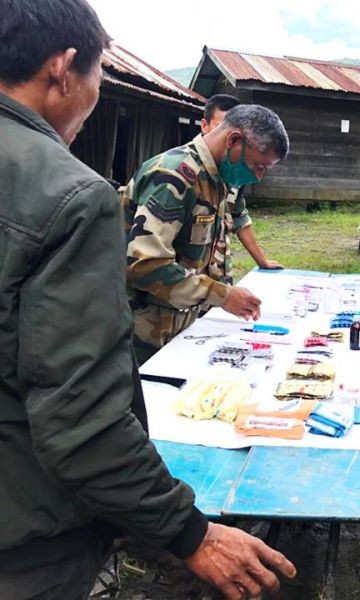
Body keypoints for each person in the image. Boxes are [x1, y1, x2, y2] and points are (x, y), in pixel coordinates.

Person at [0, 2, 295, 598]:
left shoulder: (214, 180)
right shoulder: (84, 189)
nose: (99, 91)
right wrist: (186, 533)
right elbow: (78, 404)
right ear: (63, 68)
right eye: (101, 73)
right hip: (29, 525)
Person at [122, 104, 289, 364]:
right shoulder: (174, 176)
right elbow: (145, 264)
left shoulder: (215, 179)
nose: (257, 177)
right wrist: (222, 295)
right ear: (234, 140)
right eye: (258, 165)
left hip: (179, 325)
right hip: (142, 333)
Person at [200, 94, 284, 281]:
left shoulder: (231, 171)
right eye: (221, 126)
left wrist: (262, 261)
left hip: (214, 280)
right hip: (182, 297)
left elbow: (239, 218)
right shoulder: (181, 174)